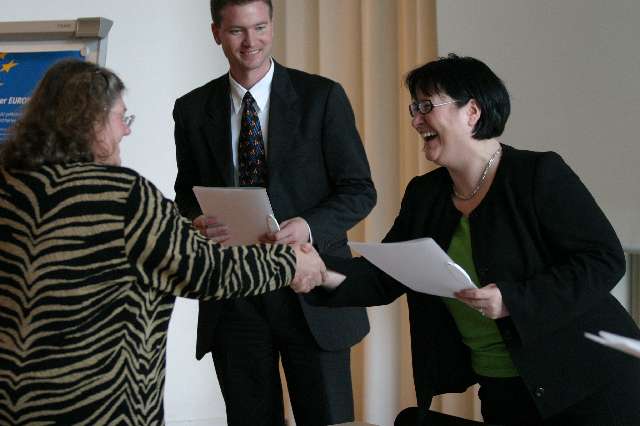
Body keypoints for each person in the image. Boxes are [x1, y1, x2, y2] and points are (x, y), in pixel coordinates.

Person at [308, 54, 640, 425]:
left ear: (472, 112)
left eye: (426, 106)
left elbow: (604, 259)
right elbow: (383, 276)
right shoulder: (425, 195)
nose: (416, 120)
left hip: (591, 384)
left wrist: (513, 299)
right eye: (414, 108)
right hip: (503, 390)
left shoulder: (537, 175)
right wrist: (315, 272)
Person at [0, 59, 327, 425]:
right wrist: (290, 263)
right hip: (98, 406)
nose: (126, 130)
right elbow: (207, 272)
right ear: (90, 121)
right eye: (121, 117)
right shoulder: (122, 196)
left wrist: (180, 231)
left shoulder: (10, 187)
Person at [172, 0, 376, 424]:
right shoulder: (191, 109)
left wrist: (308, 226)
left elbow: (359, 191)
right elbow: (186, 193)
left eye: (260, 27)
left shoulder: (322, 97)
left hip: (311, 289)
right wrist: (196, 221)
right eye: (237, 31)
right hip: (235, 296)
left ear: (272, 25)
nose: (251, 42)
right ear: (216, 33)